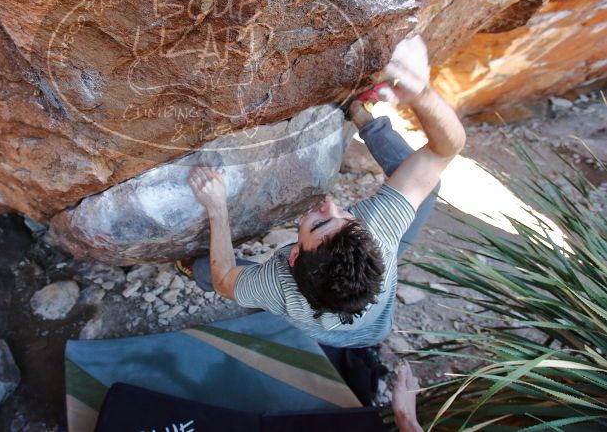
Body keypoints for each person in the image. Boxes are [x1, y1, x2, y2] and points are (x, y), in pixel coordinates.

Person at [179, 35, 466, 347]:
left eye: (319, 222)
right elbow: (443, 151)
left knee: (212, 270)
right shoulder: (378, 230)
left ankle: (191, 268)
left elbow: (225, 282)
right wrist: (422, 94)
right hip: (373, 293)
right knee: (428, 181)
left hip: (363, 334)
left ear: (293, 255)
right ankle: (361, 112)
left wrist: (217, 209)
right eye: (345, 216)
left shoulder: (277, 286)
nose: (329, 202)